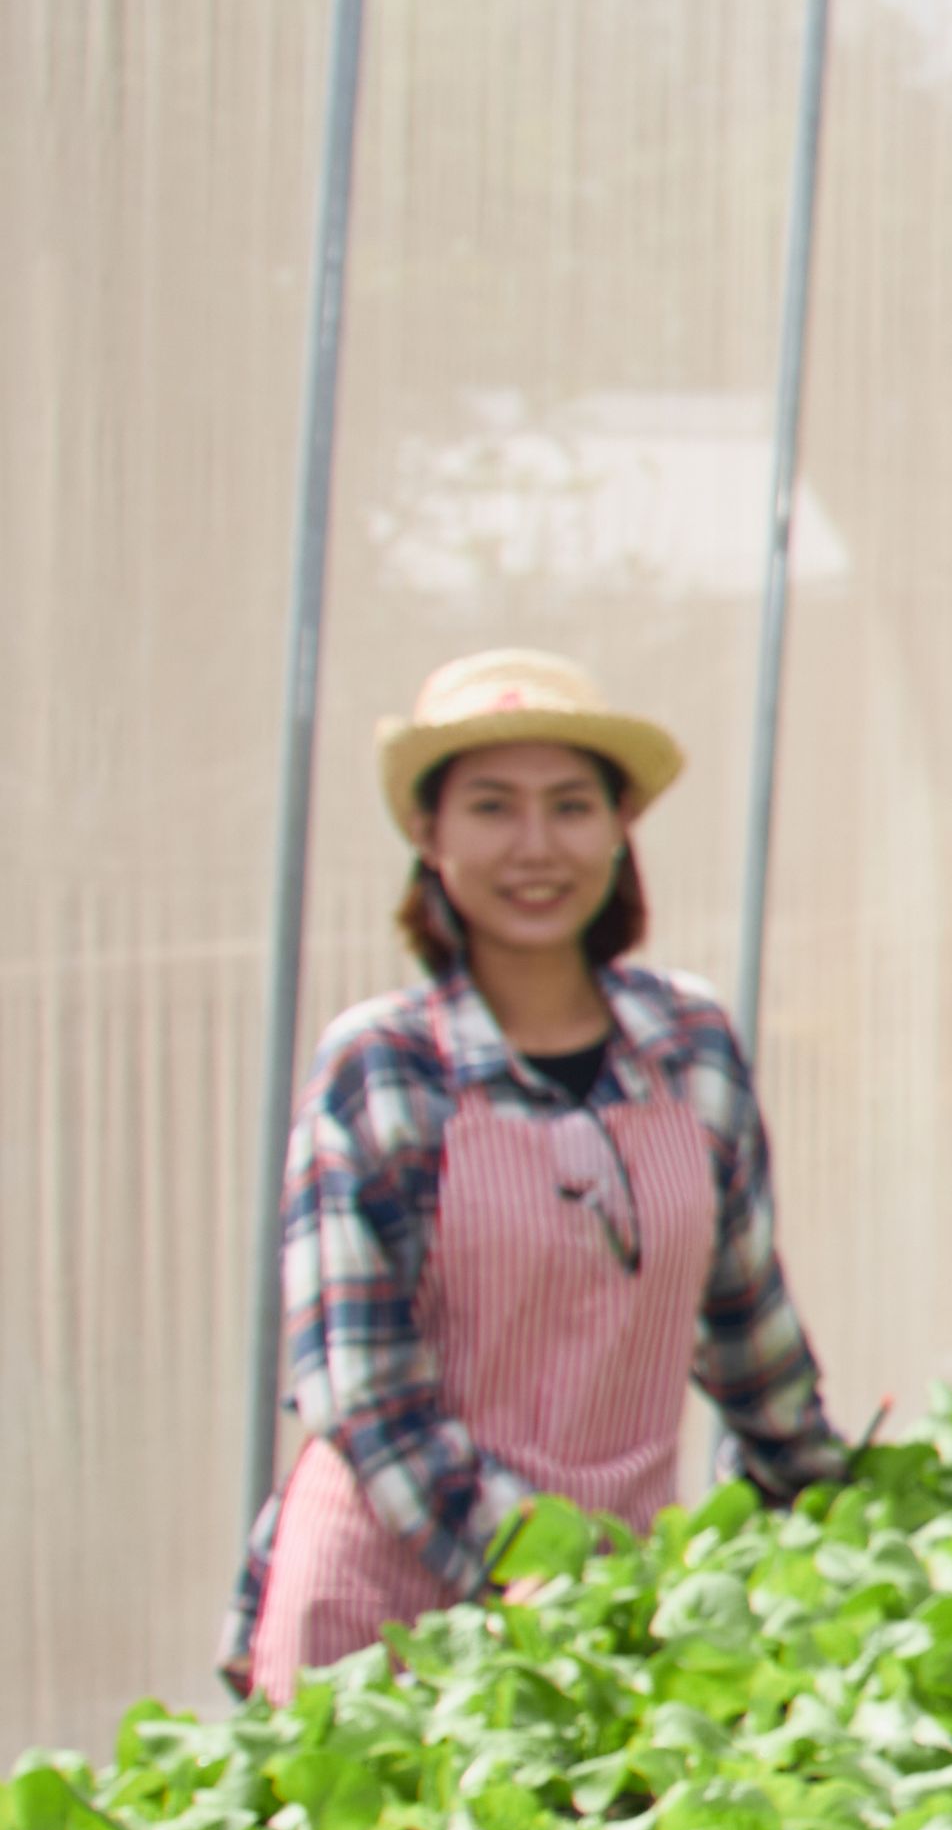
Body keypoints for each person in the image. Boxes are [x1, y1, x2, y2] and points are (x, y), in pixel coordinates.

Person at [235, 647, 846, 1700]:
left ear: (618, 829)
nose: (535, 846)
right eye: (491, 807)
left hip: (611, 1595)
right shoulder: (381, 1068)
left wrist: (830, 1495)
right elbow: (361, 1393)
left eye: (570, 806)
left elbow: (745, 1319)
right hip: (391, 1609)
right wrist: (531, 1558)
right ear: (429, 836)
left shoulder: (687, 1044)